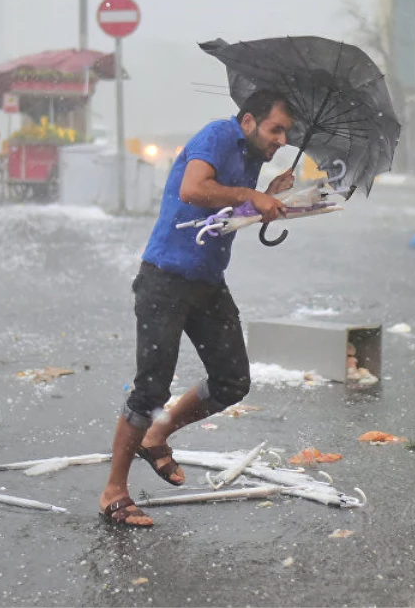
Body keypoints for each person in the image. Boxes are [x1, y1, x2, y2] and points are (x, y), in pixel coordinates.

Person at [98, 90, 295, 527]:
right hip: (165, 278)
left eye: (287, 132)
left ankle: (157, 436)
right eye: (275, 128)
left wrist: (266, 198)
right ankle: (114, 490)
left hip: (207, 282)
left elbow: (224, 211)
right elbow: (193, 190)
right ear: (248, 121)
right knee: (150, 390)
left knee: (232, 381)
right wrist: (250, 193)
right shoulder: (218, 135)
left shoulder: (252, 155)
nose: (282, 139)